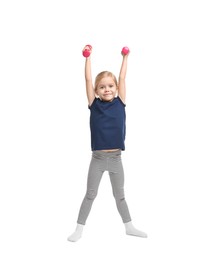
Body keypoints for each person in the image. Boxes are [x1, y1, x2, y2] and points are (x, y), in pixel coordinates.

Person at [67, 45, 147, 242]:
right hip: (98, 158)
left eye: (110, 86)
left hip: (117, 159)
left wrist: (125, 58)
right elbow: (87, 79)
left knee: (120, 196)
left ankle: (129, 226)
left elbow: (123, 78)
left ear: (116, 88)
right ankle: (79, 229)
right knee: (90, 194)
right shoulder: (94, 105)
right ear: (96, 90)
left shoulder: (121, 102)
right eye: (102, 87)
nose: (107, 89)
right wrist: (87, 58)